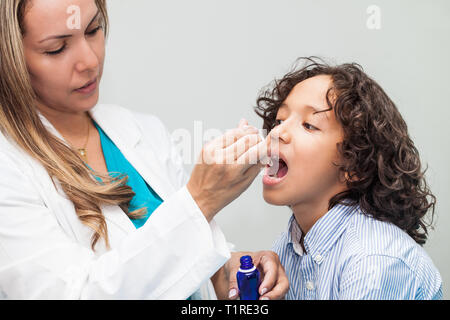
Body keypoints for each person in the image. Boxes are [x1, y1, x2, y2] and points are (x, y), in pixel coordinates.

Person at [0, 0, 288, 299]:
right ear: (10, 58)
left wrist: (228, 273)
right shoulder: (8, 169)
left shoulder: (143, 131)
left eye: (93, 29)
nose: (90, 61)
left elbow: (182, 258)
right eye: (57, 48)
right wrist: (202, 199)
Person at [255, 57, 442, 299]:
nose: (277, 132)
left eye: (309, 125)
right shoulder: (288, 247)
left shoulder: (373, 261)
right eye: (280, 120)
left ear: (355, 165)